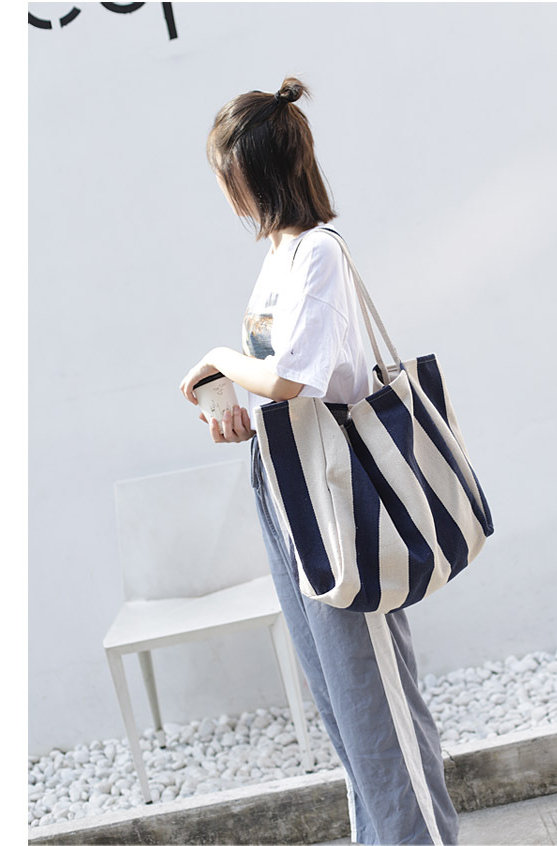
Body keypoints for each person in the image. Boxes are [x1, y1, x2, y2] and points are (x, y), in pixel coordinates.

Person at [179, 76, 459, 846]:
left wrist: (220, 359)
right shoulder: (279, 259)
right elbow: (285, 386)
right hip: (287, 485)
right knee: (343, 707)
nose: (223, 189)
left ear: (251, 173)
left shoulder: (318, 254)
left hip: (338, 493)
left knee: (377, 704)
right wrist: (238, 417)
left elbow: (293, 377)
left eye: (225, 172)